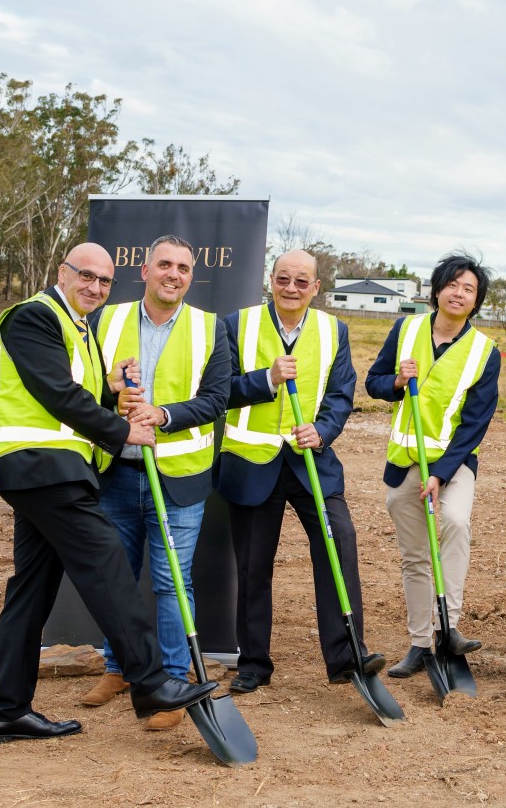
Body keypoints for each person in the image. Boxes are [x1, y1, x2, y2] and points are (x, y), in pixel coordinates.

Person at [0, 242, 216, 743]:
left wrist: (110, 390)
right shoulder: (34, 317)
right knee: (108, 563)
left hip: (48, 472)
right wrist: (121, 429)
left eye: (104, 282)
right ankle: (152, 682)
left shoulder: (81, 329)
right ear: (61, 272)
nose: (94, 287)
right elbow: (55, 394)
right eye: (84, 276)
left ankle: (6, 710)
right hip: (42, 468)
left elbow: (77, 393)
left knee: (31, 592)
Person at [77, 235, 231, 731]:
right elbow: (82, 388)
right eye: (164, 264)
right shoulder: (106, 319)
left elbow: (216, 399)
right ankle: (118, 668)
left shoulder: (210, 328)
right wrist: (112, 398)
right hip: (116, 471)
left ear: (191, 276)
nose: (174, 274)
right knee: (116, 578)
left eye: (183, 268)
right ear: (144, 270)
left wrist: (162, 414)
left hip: (179, 477)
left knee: (171, 583)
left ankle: (170, 680)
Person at [218, 248, 384, 693]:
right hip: (252, 463)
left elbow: (340, 393)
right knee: (253, 568)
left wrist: (324, 431)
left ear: (316, 287)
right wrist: (266, 380)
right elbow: (219, 392)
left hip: (311, 462)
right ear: (270, 280)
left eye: (301, 281)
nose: (291, 288)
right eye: (283, 279)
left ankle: (347, 655)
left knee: (339, 544)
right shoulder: (237, 324)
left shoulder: (334, 330)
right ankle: (253, 663)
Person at [365, 252, 501, 677]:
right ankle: (421, 643)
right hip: (404, 461)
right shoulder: (404, 330)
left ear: (476, 301)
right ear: (437, 289)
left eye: (469, 289)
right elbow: (373, 383)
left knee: (456, 525)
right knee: (416, 556)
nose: (459, 294)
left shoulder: (485, 351)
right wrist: (398, 383)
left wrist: (441, 473)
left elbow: (476, 423)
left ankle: (449, 629)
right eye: (453, 285)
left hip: (453, 464)